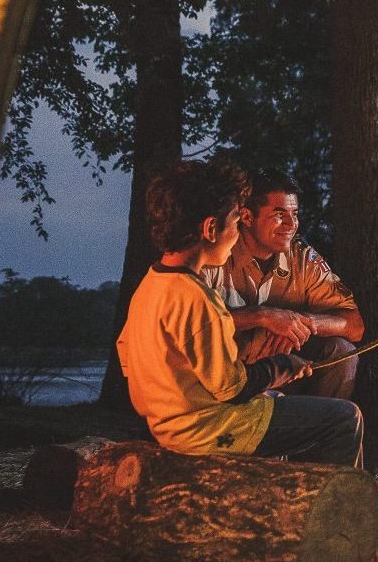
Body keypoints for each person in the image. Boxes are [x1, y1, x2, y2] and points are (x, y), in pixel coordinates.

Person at [116, 158, 363, 466]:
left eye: (295, 214)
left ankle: (292, 478)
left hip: (176, 421)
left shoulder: (152, 285)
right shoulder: (195, 295)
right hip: (213, 427)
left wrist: (298, 325)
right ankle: (340, 496)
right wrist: (283, 366)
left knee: (282, 399)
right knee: (345, 418)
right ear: (211, 228)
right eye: (235, 222)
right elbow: (231, 387)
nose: (236, 232)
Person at [199, 169, 363, 399]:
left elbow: (354, 325)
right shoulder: (217, 253)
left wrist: (299, 323)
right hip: (226, 376)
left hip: (286, 371)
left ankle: (321, 420)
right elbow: (194, 326)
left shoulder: (302, 259)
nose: (291, 224)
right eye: (279, 214)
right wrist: (263, 316)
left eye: (294, 214)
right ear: (247, 217)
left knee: (342, 352)